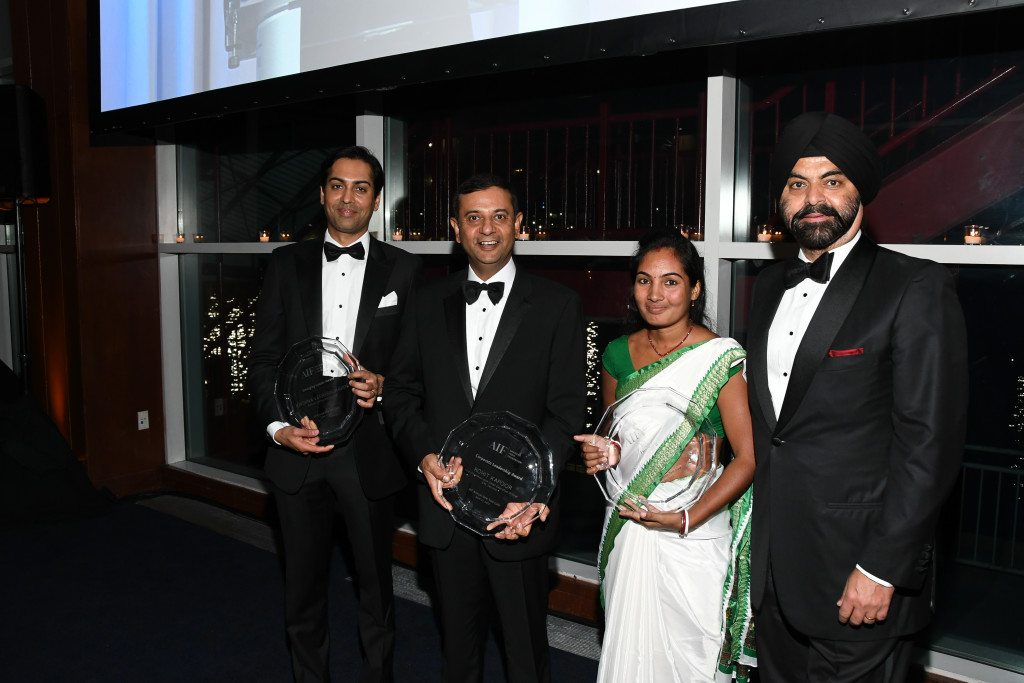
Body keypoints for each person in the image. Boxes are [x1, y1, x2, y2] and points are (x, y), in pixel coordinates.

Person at [745, 112, 968, 681]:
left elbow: (929, 446)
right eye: (797, 183)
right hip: (775, 569)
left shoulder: (915, 286)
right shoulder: (768, 286)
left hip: (860, 574)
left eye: (832, 180)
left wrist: (884, 569)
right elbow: (777, 426)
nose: (813, 197)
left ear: (860, 193)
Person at [385, 173, 585, 682]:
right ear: (456, 228)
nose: (488, 229)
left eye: (499, 216)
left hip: (516, 517)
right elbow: (402, 393)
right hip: (445, 510)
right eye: (474, 217)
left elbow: (567, 415)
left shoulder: (559, 305)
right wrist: (425, 456)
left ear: (519, 224)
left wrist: (536, 492)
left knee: (524, 656)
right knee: (458, 653)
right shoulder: (426, 302)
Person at [248, 146, 421, 682]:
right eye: (338, 186)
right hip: (297, 449)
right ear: (322, 194)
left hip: (367, 452)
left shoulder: (407, 270)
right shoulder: (284, 263)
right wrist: (279, 429)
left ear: (375, 201)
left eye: (361, 187)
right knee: (302, 589)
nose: (349, 197)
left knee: (376, 590)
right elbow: (264, 358)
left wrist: (386, 385)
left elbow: (417, 367)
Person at [576, 230, 757, 682]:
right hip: (632, 521)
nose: (655, 294)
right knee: (631, 650)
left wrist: (685, 519)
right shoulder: (618, 353)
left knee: (691, 653)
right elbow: (621, 437)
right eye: (643, 280)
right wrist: (606, 454)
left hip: (692, 529)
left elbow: (748, 459)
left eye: (671, 281)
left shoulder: (721, 357)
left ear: (695, 289)